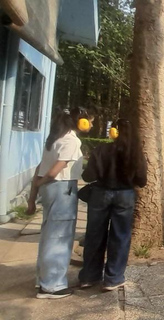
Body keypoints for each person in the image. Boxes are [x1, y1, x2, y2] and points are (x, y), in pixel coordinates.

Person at [26, 107, 92, 299]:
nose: (91, 124)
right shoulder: (71, 140)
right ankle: (52, 286)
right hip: (62, 188)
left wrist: (33, 196)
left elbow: (40, 168)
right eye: (89, 120)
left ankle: (44, 279)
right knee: (59, 237)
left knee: (49, 235)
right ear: (81, 121)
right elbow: (54, 171)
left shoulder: (53, 139)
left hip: (50, 190)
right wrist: (40, 182)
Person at [78, 119, 147, 291]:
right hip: (125, 195)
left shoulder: (101, 150)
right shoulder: (135, 154)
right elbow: (142, 181)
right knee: (120, 236)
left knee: (94, 235)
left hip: (100, 194)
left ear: (114, 132)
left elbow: (88, 176)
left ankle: (89, 276)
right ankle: (113, 278)